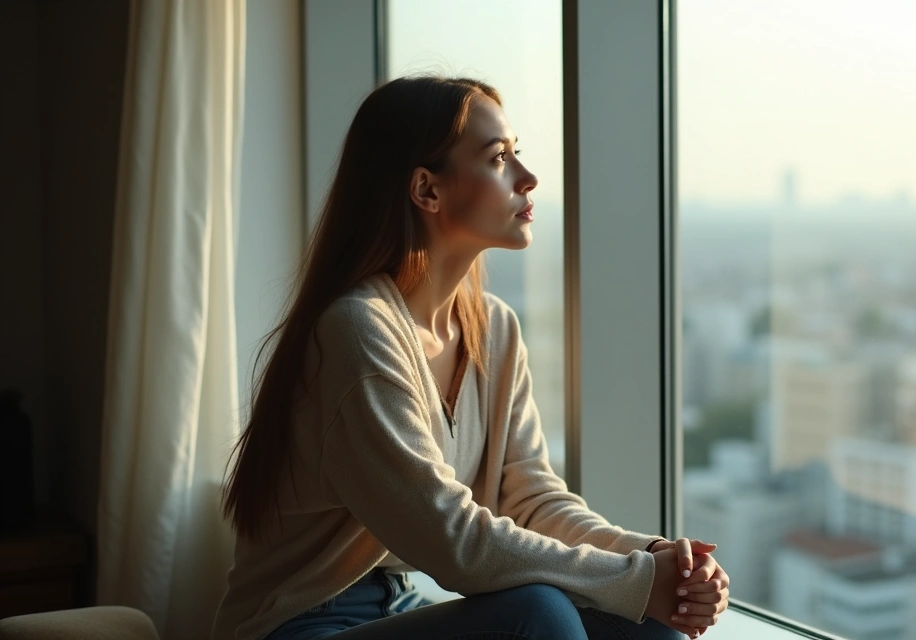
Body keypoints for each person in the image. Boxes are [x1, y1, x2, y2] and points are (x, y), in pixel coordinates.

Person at [211, 75, 730, 640]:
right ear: (426, 190)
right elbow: (450, 538)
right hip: (303, 626)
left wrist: (655, 559)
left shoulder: (494, 329)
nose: (528, 178)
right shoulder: (356, 331)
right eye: (499, 158)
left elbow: (531, 502)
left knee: (648, 627)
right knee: (540, 614)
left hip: (400, 606)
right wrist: (634, 579)